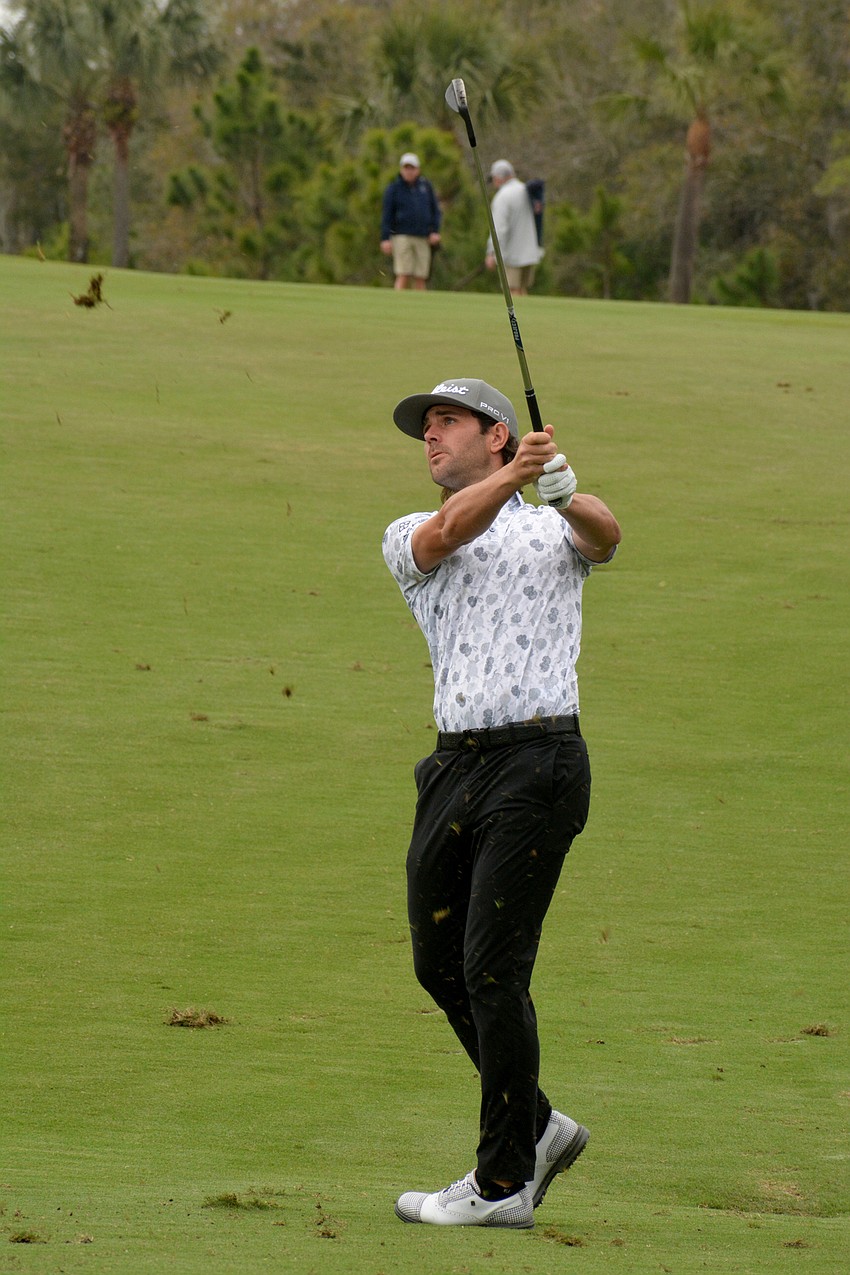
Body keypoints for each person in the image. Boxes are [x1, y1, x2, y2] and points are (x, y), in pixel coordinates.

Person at [382, 378, 621, 1229]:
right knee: (437, 962)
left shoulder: (549, 518)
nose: (430, 437)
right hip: (453, 765)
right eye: (425, 428)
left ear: (497, 432)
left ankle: (501, 1183)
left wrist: (565, 492)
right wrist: (518, 478)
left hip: (540, 760)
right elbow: (449, 531)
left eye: (446, 422)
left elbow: (607, 536)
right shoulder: (410, 532)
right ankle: (539, 1121)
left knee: (492, 967)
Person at [380, 153, 442, 291]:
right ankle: (397, 306)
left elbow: (435, 211)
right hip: (402, 235)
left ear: (418, 169)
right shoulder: (394, 189)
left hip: (423, 236)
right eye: (406, 168)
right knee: (403, 273)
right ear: (401, 169)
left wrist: (435, 231)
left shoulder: (425, 187)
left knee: (421, 276)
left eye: (412, 168)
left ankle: (421, 309)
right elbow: (387, 215)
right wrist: (385, 238)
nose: (409, 171)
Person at [486, 160, 542, 295]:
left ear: (499, 178)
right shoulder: (525, 190)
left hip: (512, 253)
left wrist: (492, 252)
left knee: (512, 290)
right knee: (522, 290)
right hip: (530, 251)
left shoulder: (503, 196)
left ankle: (516, 317)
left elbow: (498, 228)